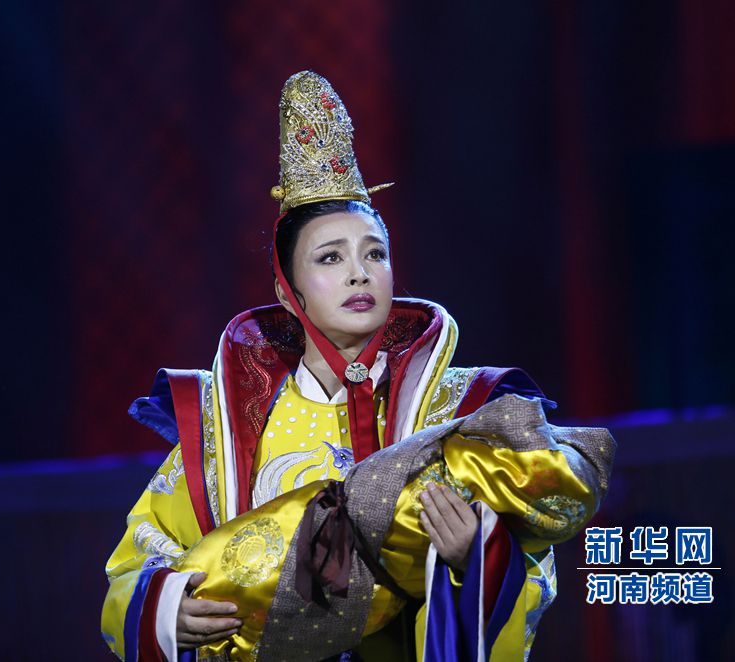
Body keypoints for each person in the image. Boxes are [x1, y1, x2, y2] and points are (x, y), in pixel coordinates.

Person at [101, 71, 614, 662]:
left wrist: (476, 556)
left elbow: (534, 561)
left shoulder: (459, 408)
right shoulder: (232, 427)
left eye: (375, 253)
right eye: (330, 258)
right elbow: (134, 566)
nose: (358, 273)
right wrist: (168, 610)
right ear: (287, 289)